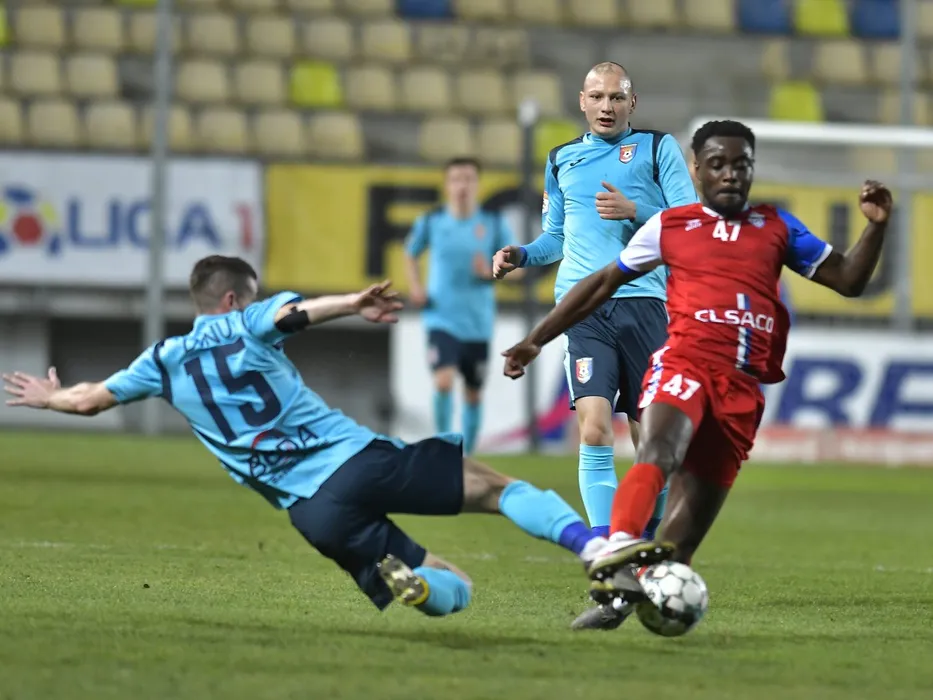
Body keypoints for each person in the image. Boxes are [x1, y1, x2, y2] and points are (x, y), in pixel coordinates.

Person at [3, 255, 609, 618]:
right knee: (499, 490)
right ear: (233, 298)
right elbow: (293, 315)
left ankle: (424, 584)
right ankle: (592, 547)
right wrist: (351, 303)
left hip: (314, 513)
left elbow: (89, 400)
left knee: (453, 584)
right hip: (356, 461)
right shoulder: (248, 322)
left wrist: (48, 397)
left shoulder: (161, 360)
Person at [501, 119, 891, 623]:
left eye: (741, 165)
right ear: (696, 169)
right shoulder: (671, 226)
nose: (730, 174)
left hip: (741, 387)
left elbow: (849, 280)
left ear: (752, 169)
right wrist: (535, 339)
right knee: (658, 449)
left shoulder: (777, 227)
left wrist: (876, 226)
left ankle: (627, 596)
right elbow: (601, 283)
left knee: (677, 549)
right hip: (683, 362)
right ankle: (617, 546)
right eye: (718, 164)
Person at [493, 61, 698, 629]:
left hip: (647, 304)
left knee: (651, 441)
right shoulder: (562, 158)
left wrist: (638, 212)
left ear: (633, 103)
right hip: (583, 308)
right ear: (582, 102)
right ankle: (610, 556)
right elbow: (557, 237)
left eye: (617, 97)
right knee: (593, 428)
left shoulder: (657, 149)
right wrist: (521, 254)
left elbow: (690, 222)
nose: (607, 106)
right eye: (597, 97)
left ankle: (644, 548)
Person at [404, 157, 517, 456]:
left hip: (478, 322)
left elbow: (515, 264)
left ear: (477, 184)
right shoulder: (432, 221)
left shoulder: (492, 224)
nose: (462, 186)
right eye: (456, 179)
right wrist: (415, 287)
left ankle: (467, 456)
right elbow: (410, 253)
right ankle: (444, 446)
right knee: (443, 382)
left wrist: (492, 272)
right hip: (440, 318)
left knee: (473, 392)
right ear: (447, 185)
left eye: (468, 179)